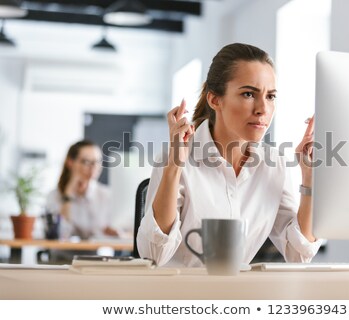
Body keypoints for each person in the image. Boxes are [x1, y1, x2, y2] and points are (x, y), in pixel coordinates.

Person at [137, 43, 322, 267]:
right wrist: (174, 167)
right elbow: (153, 255)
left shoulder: (274, 164)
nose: (262, 109)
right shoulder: (178, 155)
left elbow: (299, 253)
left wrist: (310, 179)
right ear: (215, 100)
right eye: (248, 94)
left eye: (271, 96)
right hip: (178, 294)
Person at [46, 140, 118, 240]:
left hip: (99, 254)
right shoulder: (54, 196)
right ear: (70, 162)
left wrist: (118, 233)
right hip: (63, 255)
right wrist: (68, 195)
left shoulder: (106, 195)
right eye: (86, 161)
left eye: (97, 161)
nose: (94, 167)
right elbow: (59, 234)